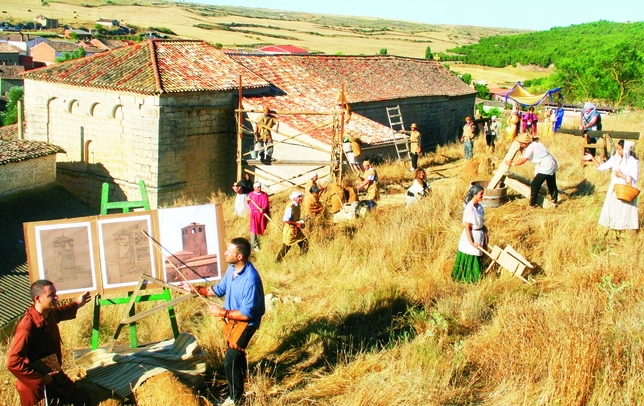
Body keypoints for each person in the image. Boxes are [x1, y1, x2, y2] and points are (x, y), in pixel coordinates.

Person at [180, 238, 265, 406]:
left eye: (229, 251)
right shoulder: (232, 269)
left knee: (231, 359)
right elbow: (219, 289)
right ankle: (241, 391)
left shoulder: (251, 279)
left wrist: (221, 312)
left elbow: (247, 314)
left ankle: (235, 399)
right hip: (232, 320)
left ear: (239, 256)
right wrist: (196, 289)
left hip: (246, 323)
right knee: (237, 357)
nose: (225, 253)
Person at [6, 280, 91, 406]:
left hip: (55, 377)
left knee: (81, 401)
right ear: (38, 299)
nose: (56, 297)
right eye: (51, 295)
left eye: (55, 293)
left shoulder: (48, 314)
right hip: (36, 387)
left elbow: (61, 313)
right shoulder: (27, 328)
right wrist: (40, 378)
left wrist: (78, 304)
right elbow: (13, 362)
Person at [585, 140, 639, 231]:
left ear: (625, 150)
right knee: (614, 212)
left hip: (626, 191)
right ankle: (614, 232)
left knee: (625, 214)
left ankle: (627, 233)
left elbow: (634, 179)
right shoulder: (615, 158)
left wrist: (622, 175)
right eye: (617, 149)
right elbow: (601, 167)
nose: (618, 151)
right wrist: (592, 158)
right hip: (615, 190)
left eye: (620, 149)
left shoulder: (632, 161)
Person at [505, 133, 558, 207]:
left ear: (525, 143)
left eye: (521, 143)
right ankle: (554, 200)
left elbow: (524, 160)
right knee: (551, 183)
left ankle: (532, 204)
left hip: (547, 165)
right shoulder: (535, 143)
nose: (520, 144)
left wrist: (512, 164)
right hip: (550, 162)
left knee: (535, 184)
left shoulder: (530, 147)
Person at [452, 184, 487, 283]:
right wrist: (472, 242)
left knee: (478, 256)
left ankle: (477, 277)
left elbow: (481, 221)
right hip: (471, 236)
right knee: (470, 255)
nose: (482, 196)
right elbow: (467, 227)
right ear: (474, 195)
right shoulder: (469, 209)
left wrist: (485, 231)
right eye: (481, 194)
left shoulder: (479, 206)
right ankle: (467, 278)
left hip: (479, 234)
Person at [276, 191, 309, 262]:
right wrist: (297, 224)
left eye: (301, 196)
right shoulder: (290, 207)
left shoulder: (297, 206)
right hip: (290, 230)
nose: (301, 198)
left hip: (296, 230)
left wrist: (301, 221)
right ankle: (277, 262)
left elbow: (295, 218)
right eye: (299, 197)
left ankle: (302, 260)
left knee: (305, 243)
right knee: (286, 247)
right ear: (294, 198)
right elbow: (286, 220)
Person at [247, 182, 270, 252]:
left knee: (261, 227)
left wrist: (264, 208)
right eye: (257, 187)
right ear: (254, 188)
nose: (259, 188)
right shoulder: (251, 194)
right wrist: (248, 200)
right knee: (254, 228)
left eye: (260, 187)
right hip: (254, 214)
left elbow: (265, 204)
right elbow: (249, 202)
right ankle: (253, 244)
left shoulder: (264, 195)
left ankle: (259, 242)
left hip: (261, 214)